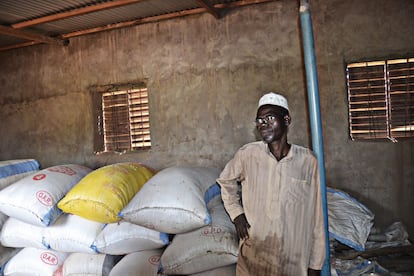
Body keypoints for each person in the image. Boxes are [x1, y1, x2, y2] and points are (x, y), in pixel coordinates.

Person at [217, 92, 326, 276]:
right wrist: (237, 215)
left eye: (269, 118)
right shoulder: (247, 154)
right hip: (255, 256)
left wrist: (315, 264)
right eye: (259, 120)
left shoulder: (307, 161)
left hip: (293, 260)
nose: (263, 124)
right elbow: (225, 181)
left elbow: (317, 216)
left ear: (286, 119)